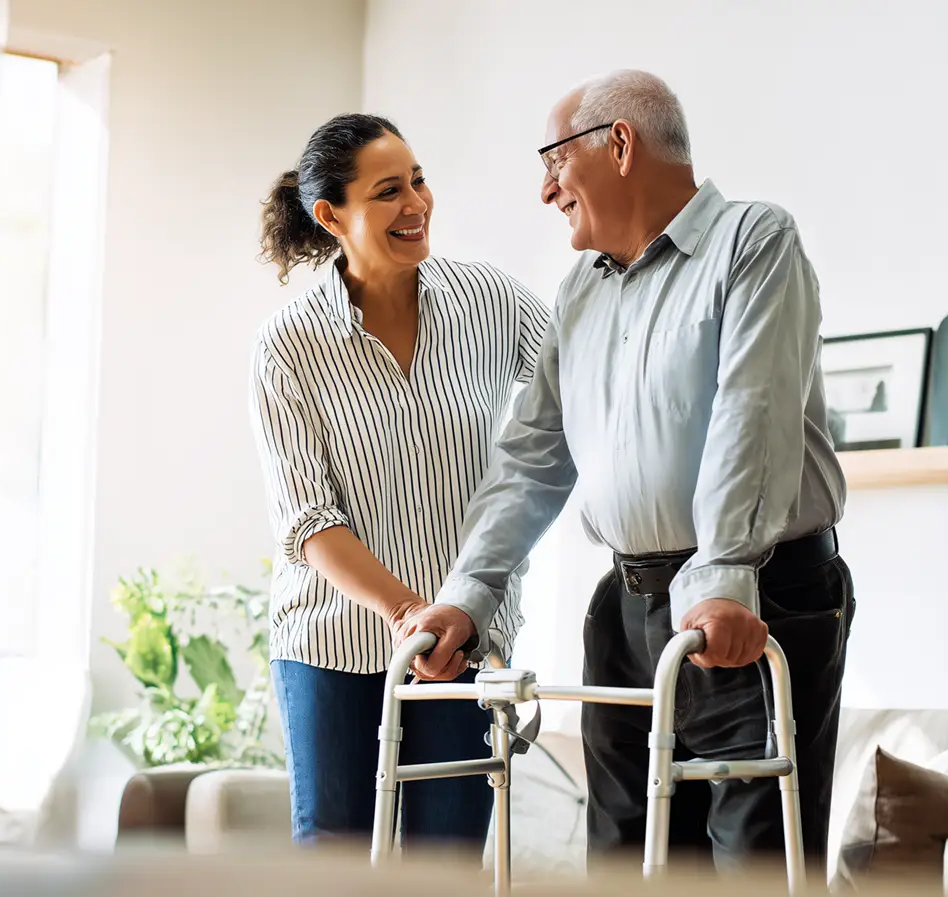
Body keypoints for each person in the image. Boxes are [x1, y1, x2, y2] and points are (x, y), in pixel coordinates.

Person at [403, 70, 853, 878]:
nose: (545, 190)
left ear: (619, 144)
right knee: (621, 853)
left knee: (751, 857)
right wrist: (469, 591)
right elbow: (533, 453)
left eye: (553, 159)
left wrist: (722, 574)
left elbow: (750, 419)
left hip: (759, 592)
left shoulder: (754, 242)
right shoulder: (581, 289)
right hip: (627, 606)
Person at [249, 112, 549, 850]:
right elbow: (308, 521)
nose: (416, 204)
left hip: (465, 646)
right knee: (339, 863)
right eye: (388, 191)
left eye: (417, 180)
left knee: (443, 865)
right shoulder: (289, 345)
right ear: (331, 215)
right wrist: (410, 612)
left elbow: (584, 393)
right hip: (333, 647)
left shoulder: (491, 301)